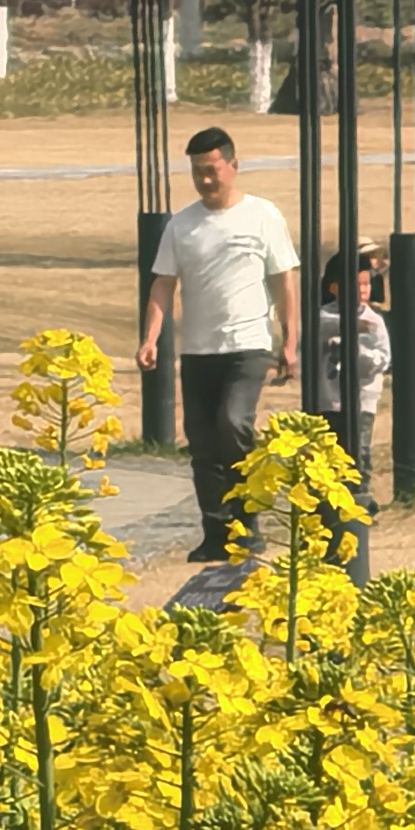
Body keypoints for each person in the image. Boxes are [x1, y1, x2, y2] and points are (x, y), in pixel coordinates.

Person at [137, 126, 295, 561]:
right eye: (197, 172)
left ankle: (248, 523)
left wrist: (290, 340)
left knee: (233, 422)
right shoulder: (181, 225)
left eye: (212, 170)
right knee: (203, 442)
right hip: (198, 350)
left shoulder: (262, 215)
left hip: (248, 345)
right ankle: (216, 534)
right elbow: (163, 284)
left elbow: (283, 279)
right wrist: (150, 338)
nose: (205, 180)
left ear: (233, 166)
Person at [319, 244, 392, 484]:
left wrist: (356, 351)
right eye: (356, 284)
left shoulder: (374, 321)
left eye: (366, 284)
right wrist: (348, 327)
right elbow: (317, 330)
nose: (362, 290)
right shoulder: (322, 317)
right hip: (328, 400)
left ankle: (359, 494)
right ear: (334, 288)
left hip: (362, 401)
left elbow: (383, 359)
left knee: (359, 452)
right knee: (327, 454)